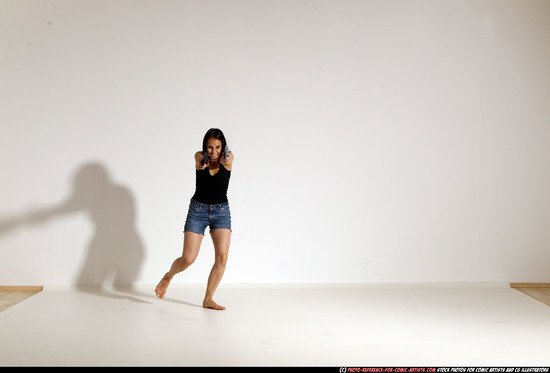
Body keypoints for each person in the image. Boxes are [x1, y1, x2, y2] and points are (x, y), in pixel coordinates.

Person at [155, 128, 234, 310]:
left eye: (217, 147)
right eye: (210, 147)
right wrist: (203, 162)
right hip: (197, 210)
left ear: (223, 148)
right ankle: (169, 275)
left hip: (221, 211)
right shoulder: (200, 157)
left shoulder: (227, 160)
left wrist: (225, 157)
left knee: (222, 257)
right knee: (188, 258)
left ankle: (208, 298)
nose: (214, 151)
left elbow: (227, 159)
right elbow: (199, 159)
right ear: (205, 147)